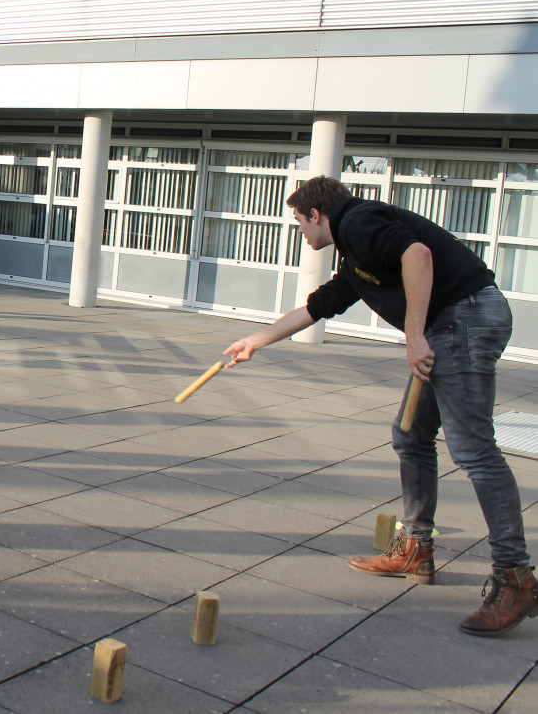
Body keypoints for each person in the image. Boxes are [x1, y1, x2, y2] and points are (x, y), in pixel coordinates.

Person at [223, 175, 532, 637]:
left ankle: (516, 578)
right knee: (410, 435)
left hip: (464, 318)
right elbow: (318, 306)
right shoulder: (355, 258)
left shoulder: (359, 221)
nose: (301, 233)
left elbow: (418, 256)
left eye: (299, 224)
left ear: (316, 214)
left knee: (473, 450)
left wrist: (414, 336)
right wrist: (255, 341)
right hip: (450, 323)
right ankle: (416, 547)